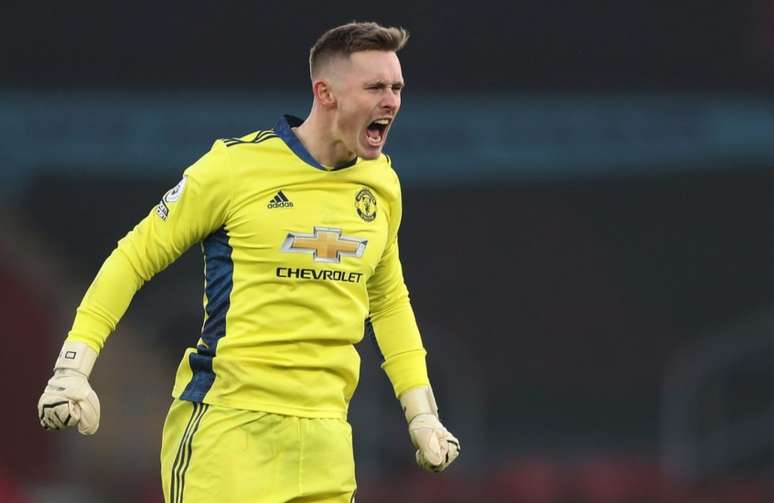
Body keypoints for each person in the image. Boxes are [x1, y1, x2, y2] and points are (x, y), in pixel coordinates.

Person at [37, 21, 460, 502]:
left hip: (327, 442)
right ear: (325, 93)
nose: (391, 101)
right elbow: (134, 256)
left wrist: (420, 411)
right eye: (376, 87)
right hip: (229, 429)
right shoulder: (233, 169)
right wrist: (73, 366)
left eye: (397, 87)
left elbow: (387, 301)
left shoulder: (382, 186)